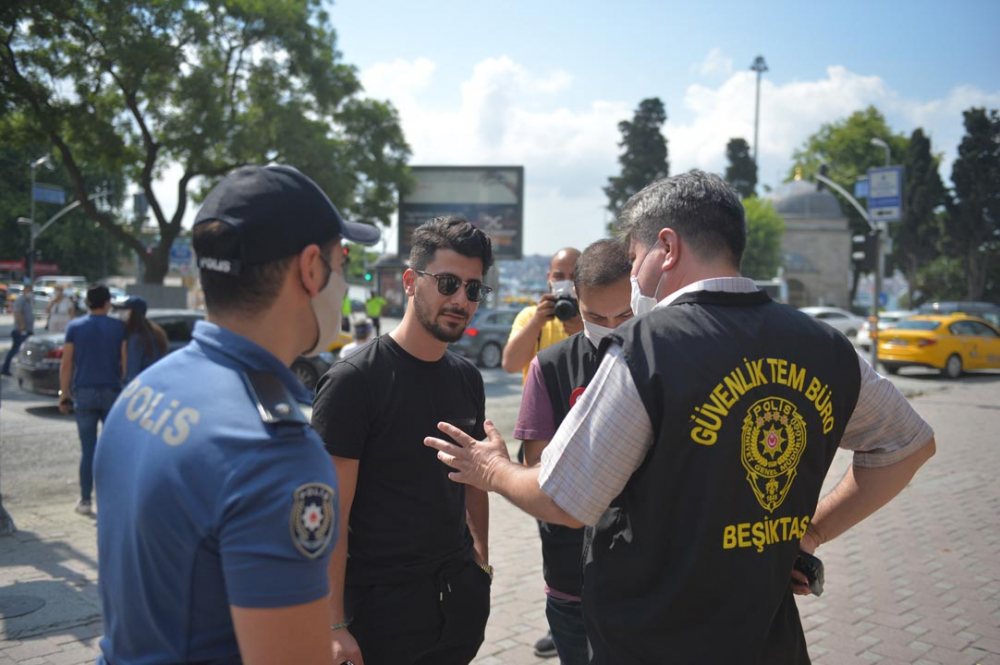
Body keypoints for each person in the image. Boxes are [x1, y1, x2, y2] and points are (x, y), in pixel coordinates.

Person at [425, 171, 936, 664]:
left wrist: (492, 470)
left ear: (666, 248)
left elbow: (564, 498)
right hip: (768, 638)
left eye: (633, 258)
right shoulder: (825, 345)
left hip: (653, 638)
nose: (632, 279)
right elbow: (908, 446)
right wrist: (811, 533)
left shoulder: (648, 347)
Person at [92, 164, 380, 665]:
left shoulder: (144, 388)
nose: (345, 280)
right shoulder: (273, 452)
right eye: (343, 261)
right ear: (311, 269)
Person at [312, 216, 494, 665]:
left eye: (473, 289)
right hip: (379, 611)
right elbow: (329, 512)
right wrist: (333, 623)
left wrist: (481, 564)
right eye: (448, 283)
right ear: (411, 282)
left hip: (458, 598)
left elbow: (473, 478)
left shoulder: (467, 378)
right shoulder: (354, 381)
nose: (461, 300)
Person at [515, 238, 633, 664]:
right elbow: (537, 474)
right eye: (595, 316)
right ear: (575, 301)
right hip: (571, 579)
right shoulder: (550, 367)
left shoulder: (663, 356)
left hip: (646, 582)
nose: (611, 326)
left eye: (625, 315)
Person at [58, 285, 126, 516]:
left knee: (88, 451)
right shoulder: (118, 328)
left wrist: (64, 393)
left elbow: (67, 363)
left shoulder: (75, 327)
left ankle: (86, 501)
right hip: (112, 392)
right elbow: (124, 364)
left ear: (87, 303)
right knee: (113, 451)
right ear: (107, 303)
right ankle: (111, 501)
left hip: (84, 392)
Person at [501, 247, 583, 384]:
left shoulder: (596, 317)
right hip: (540, 404)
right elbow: (510, 365)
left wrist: (584, 334)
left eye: (574, 277)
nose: (566, 283)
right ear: (549, 278)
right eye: (559, 276)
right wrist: (536, 323)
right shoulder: (530, 316)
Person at [115, 296, 169, 382]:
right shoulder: (154, 332)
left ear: (133, 313)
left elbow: (132, 372)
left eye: (124, 309)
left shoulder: (136, 338)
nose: (120, 313)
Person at [1, 281, 34, 376]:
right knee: (15, 350)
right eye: (29, 290)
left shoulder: (28, 301)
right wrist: (22, 326)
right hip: (21, 330)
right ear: (24, 290)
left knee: (29, 350)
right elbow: (18, 313)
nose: (30, 292)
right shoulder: (20, 300)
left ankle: (26, 371)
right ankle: (5, 368)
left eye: (31, 290)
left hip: (28, 330)